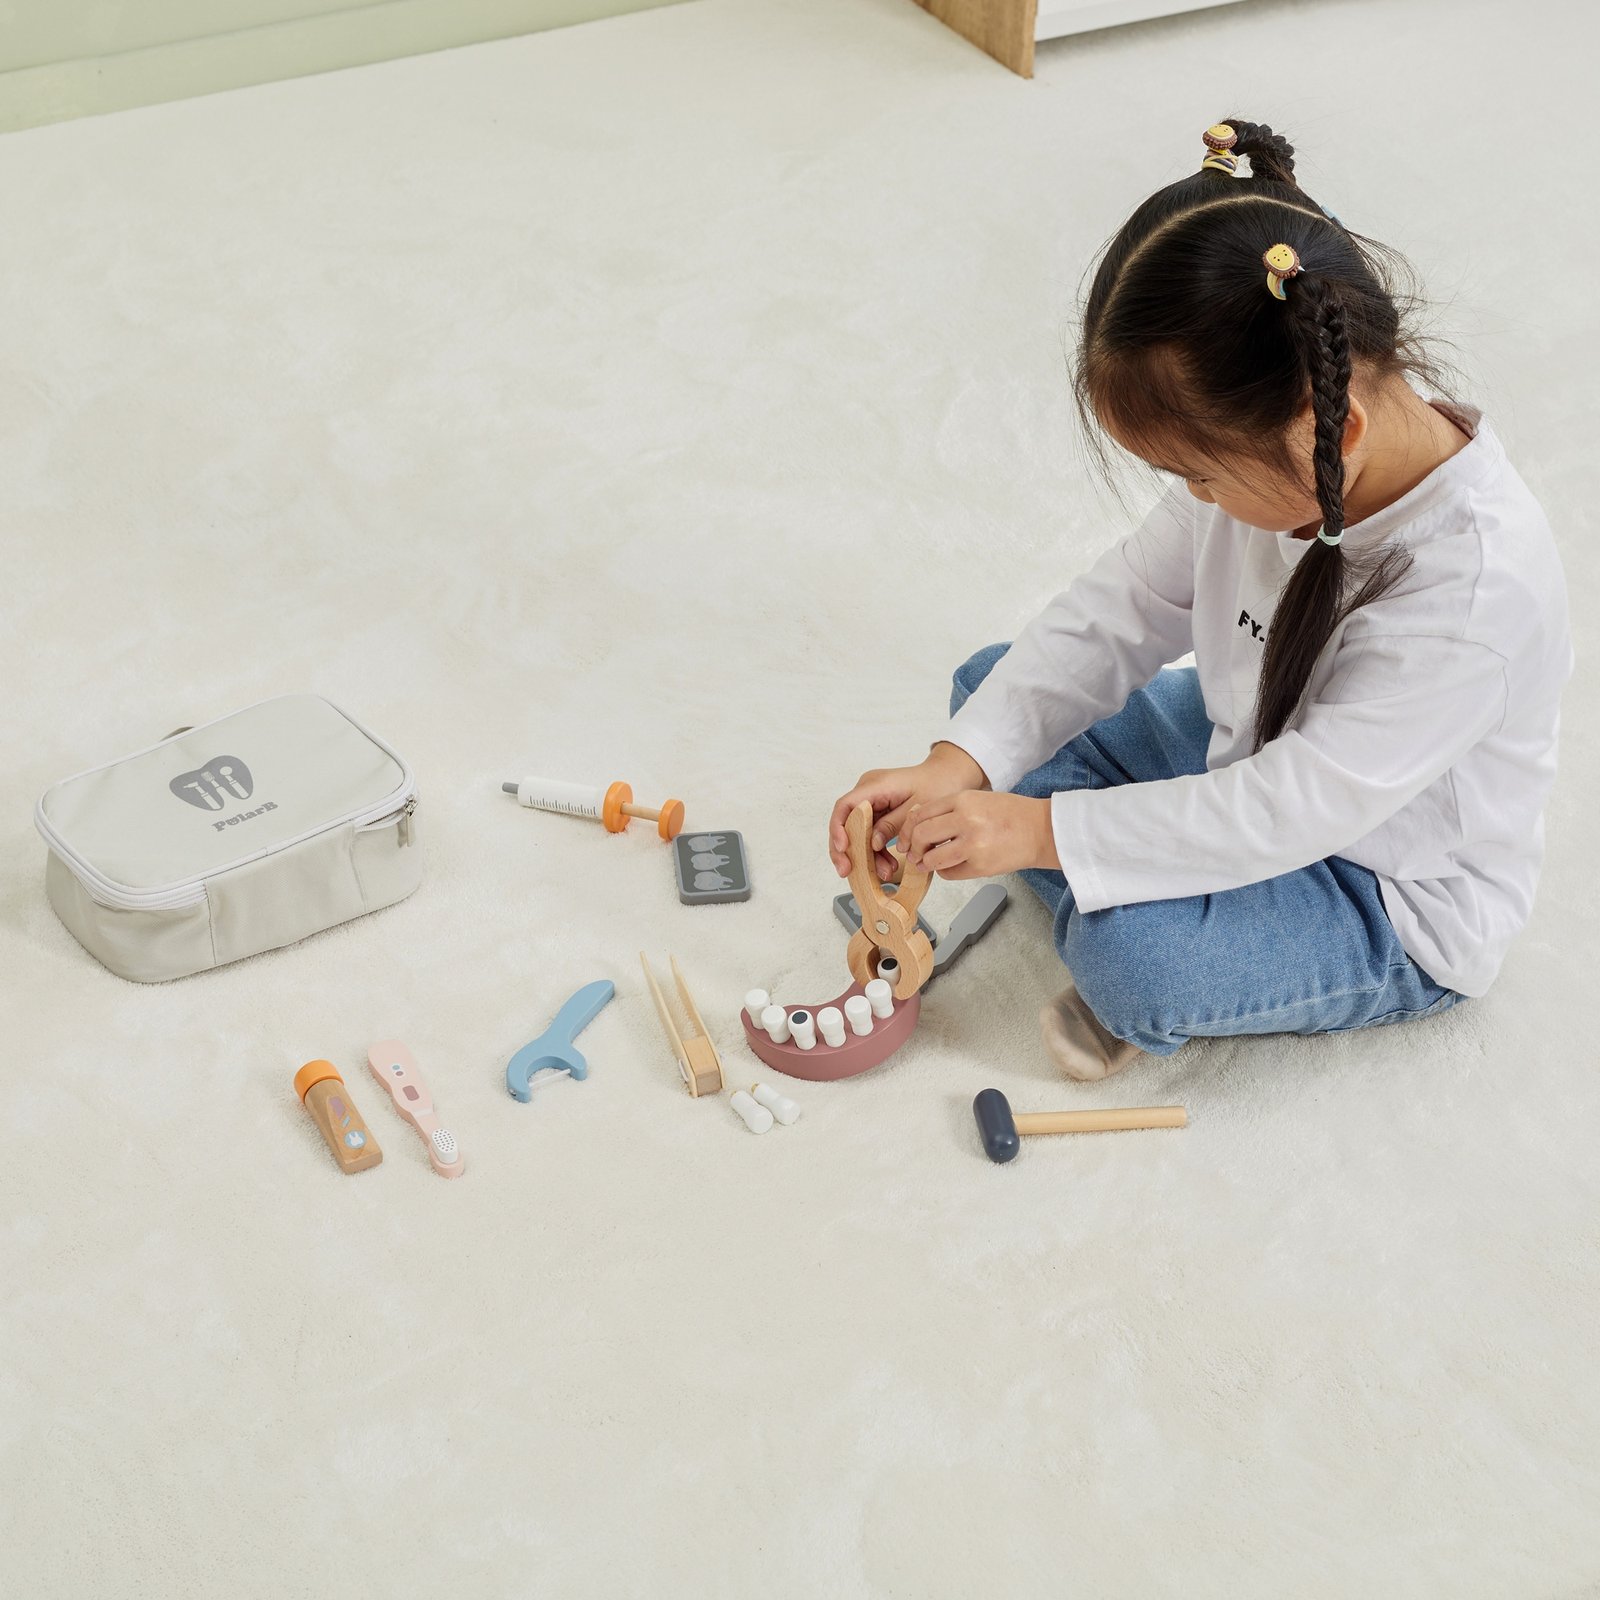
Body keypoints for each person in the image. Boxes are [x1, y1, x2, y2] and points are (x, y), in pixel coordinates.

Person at [828, 119, 1572, 1081]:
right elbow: (1124, 606)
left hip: (1381, 887)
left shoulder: (1476, 592)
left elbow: (1294, 808)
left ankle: (1135, 918)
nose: (1194, 499)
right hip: (1246, 741)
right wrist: (957, 764)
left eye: (1199, 475)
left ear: (1330, 434)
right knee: (988, 694)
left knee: (1136, 965)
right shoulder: (1294, 422)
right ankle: (1130, 877)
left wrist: (1038, 833)